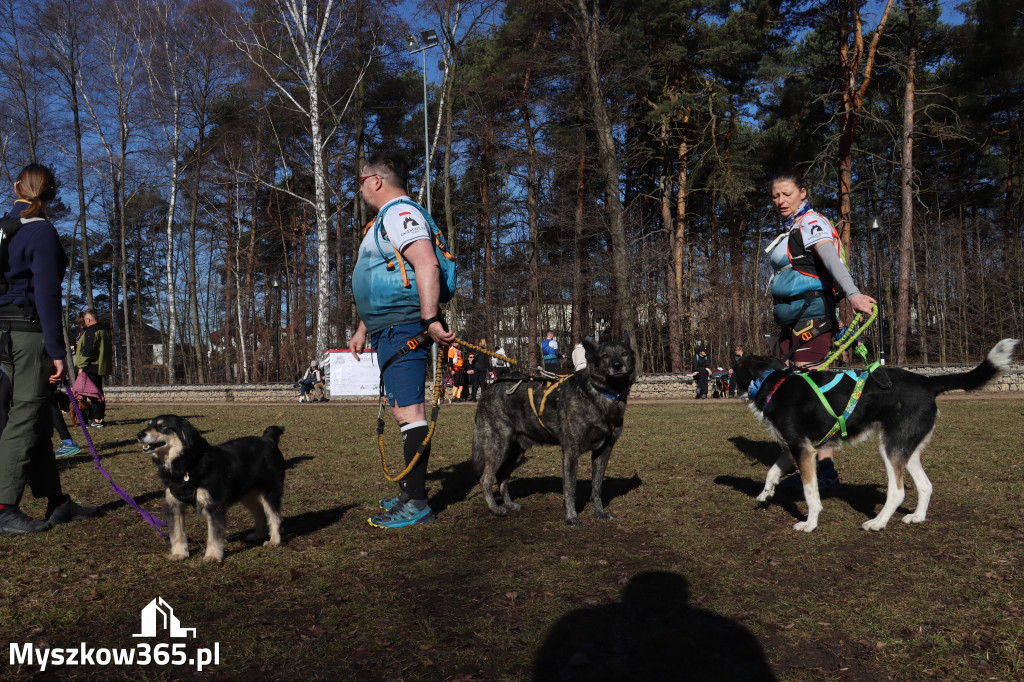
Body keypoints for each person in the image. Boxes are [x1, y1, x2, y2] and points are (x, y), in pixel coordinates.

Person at [349, 154, 455, 528]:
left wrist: (428, 319)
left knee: (410, 414)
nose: (359, 188)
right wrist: (364, 328)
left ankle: (418, 504)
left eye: (360, 180)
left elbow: (425, 264)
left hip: (404, 327)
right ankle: (410, 492)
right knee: (401, 411)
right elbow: (384, 276)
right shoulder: (383, 220)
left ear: (377, 181)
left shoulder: (399, 213)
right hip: (387, 329)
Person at [0, 163, 97, 534]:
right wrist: (58, 350)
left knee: (38, 414)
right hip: (27, 335)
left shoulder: (3, 229)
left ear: (15, 187)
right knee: (24, 416)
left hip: (3, 334)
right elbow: (47, 295)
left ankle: (57, 501)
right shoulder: (41, 233)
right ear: (52, 195)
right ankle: (4, 505)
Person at [767, 170, 876, 492]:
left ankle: (819, 473)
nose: (780, 201)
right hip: (793, 322)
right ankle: (813, 468)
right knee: (796, 395)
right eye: (775, 196)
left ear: (802, 192)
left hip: (812, 319)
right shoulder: (791, 228)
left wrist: (853, 293)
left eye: (786, 193)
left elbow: (832, 261)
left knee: (807, 397)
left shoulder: (811, 223)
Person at [74, 309, 112, 427]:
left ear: (88, 320)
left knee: (94, 394)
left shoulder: (91, 332)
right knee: (97, 393)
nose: (84, 323)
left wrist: (81, 366)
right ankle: (95, 418)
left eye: (85, 320)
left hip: (91, 367)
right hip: (100, 366)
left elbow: (88, 352)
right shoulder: (104, 331)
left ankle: (97, 420)